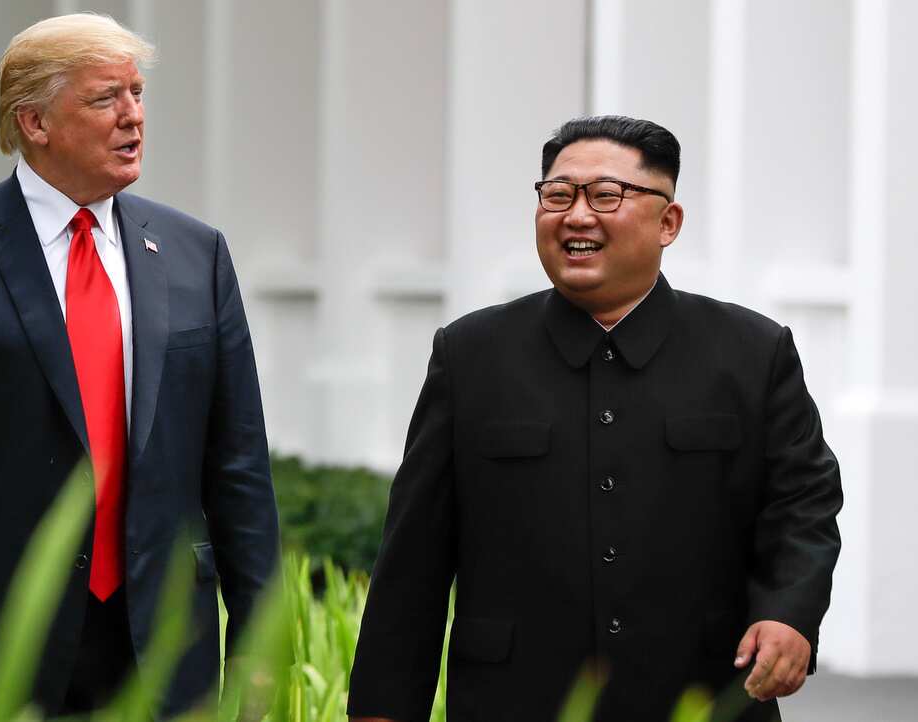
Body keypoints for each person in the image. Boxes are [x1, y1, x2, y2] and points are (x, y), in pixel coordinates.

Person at [0, 13, 279, 721]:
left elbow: (238, 468)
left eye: (138, 95)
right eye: (106, 98)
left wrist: (257, 648)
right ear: (35, 122)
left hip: (164, 650)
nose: (133, 117)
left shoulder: (196, 255)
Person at [346, 116, 842, 722]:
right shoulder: (472, 354)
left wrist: (788, 614)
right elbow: (414, 557)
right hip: (515, 700)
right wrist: (383, 706)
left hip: (698, 696)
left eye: (607, 196)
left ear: (669, 222)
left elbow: (803, 503)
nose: (577, 216)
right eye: (558, 195)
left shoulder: (750, 352)